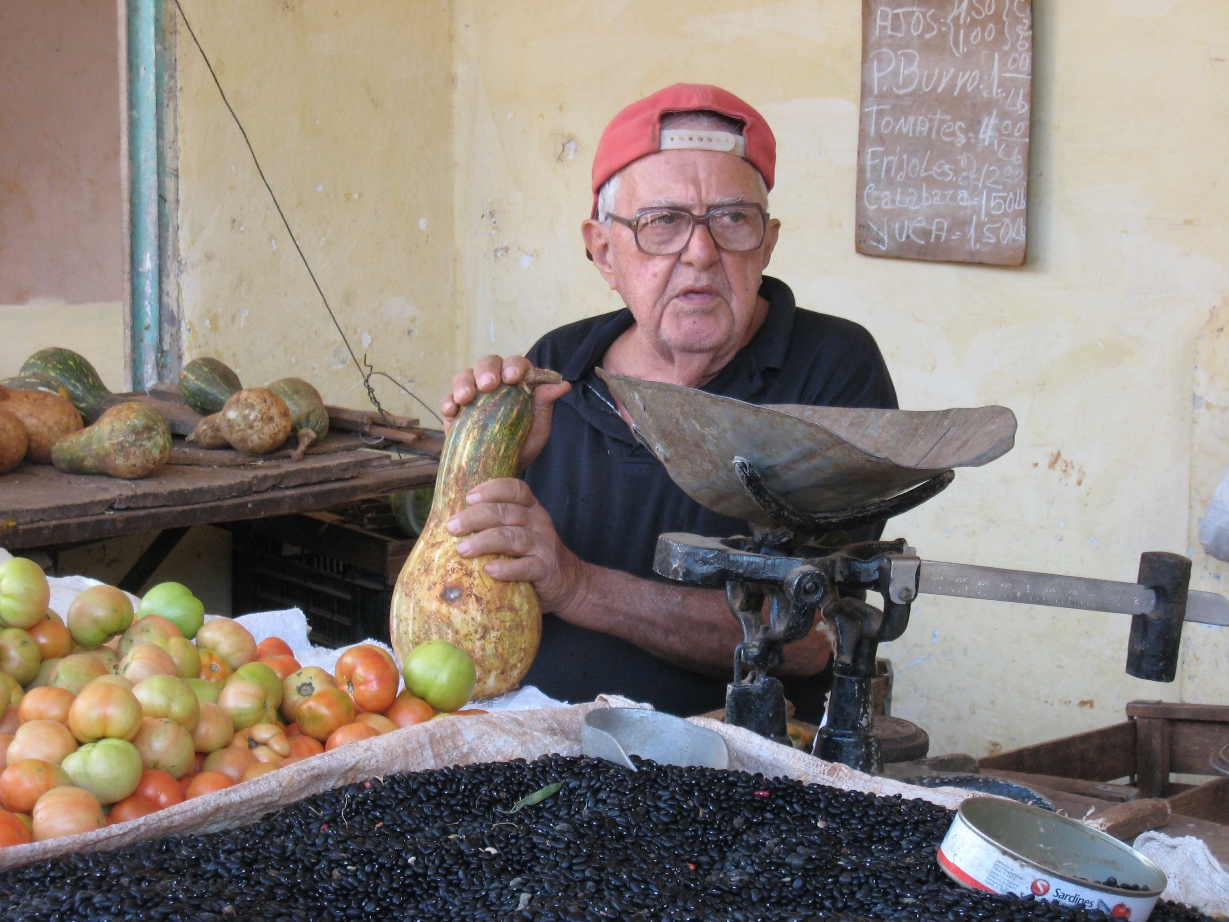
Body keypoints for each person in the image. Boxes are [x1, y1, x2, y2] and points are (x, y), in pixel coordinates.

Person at [439, 84, 897, 721]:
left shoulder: (830, 368)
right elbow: (474, 590)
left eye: (732, 219)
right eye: (663, 222)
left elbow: (807, 638)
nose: (701, 253)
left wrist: (578, 586)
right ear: (604, 251)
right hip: (534, 733)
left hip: (734, 757)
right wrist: (479, 470)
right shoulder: (558, 366)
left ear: (767, 243)